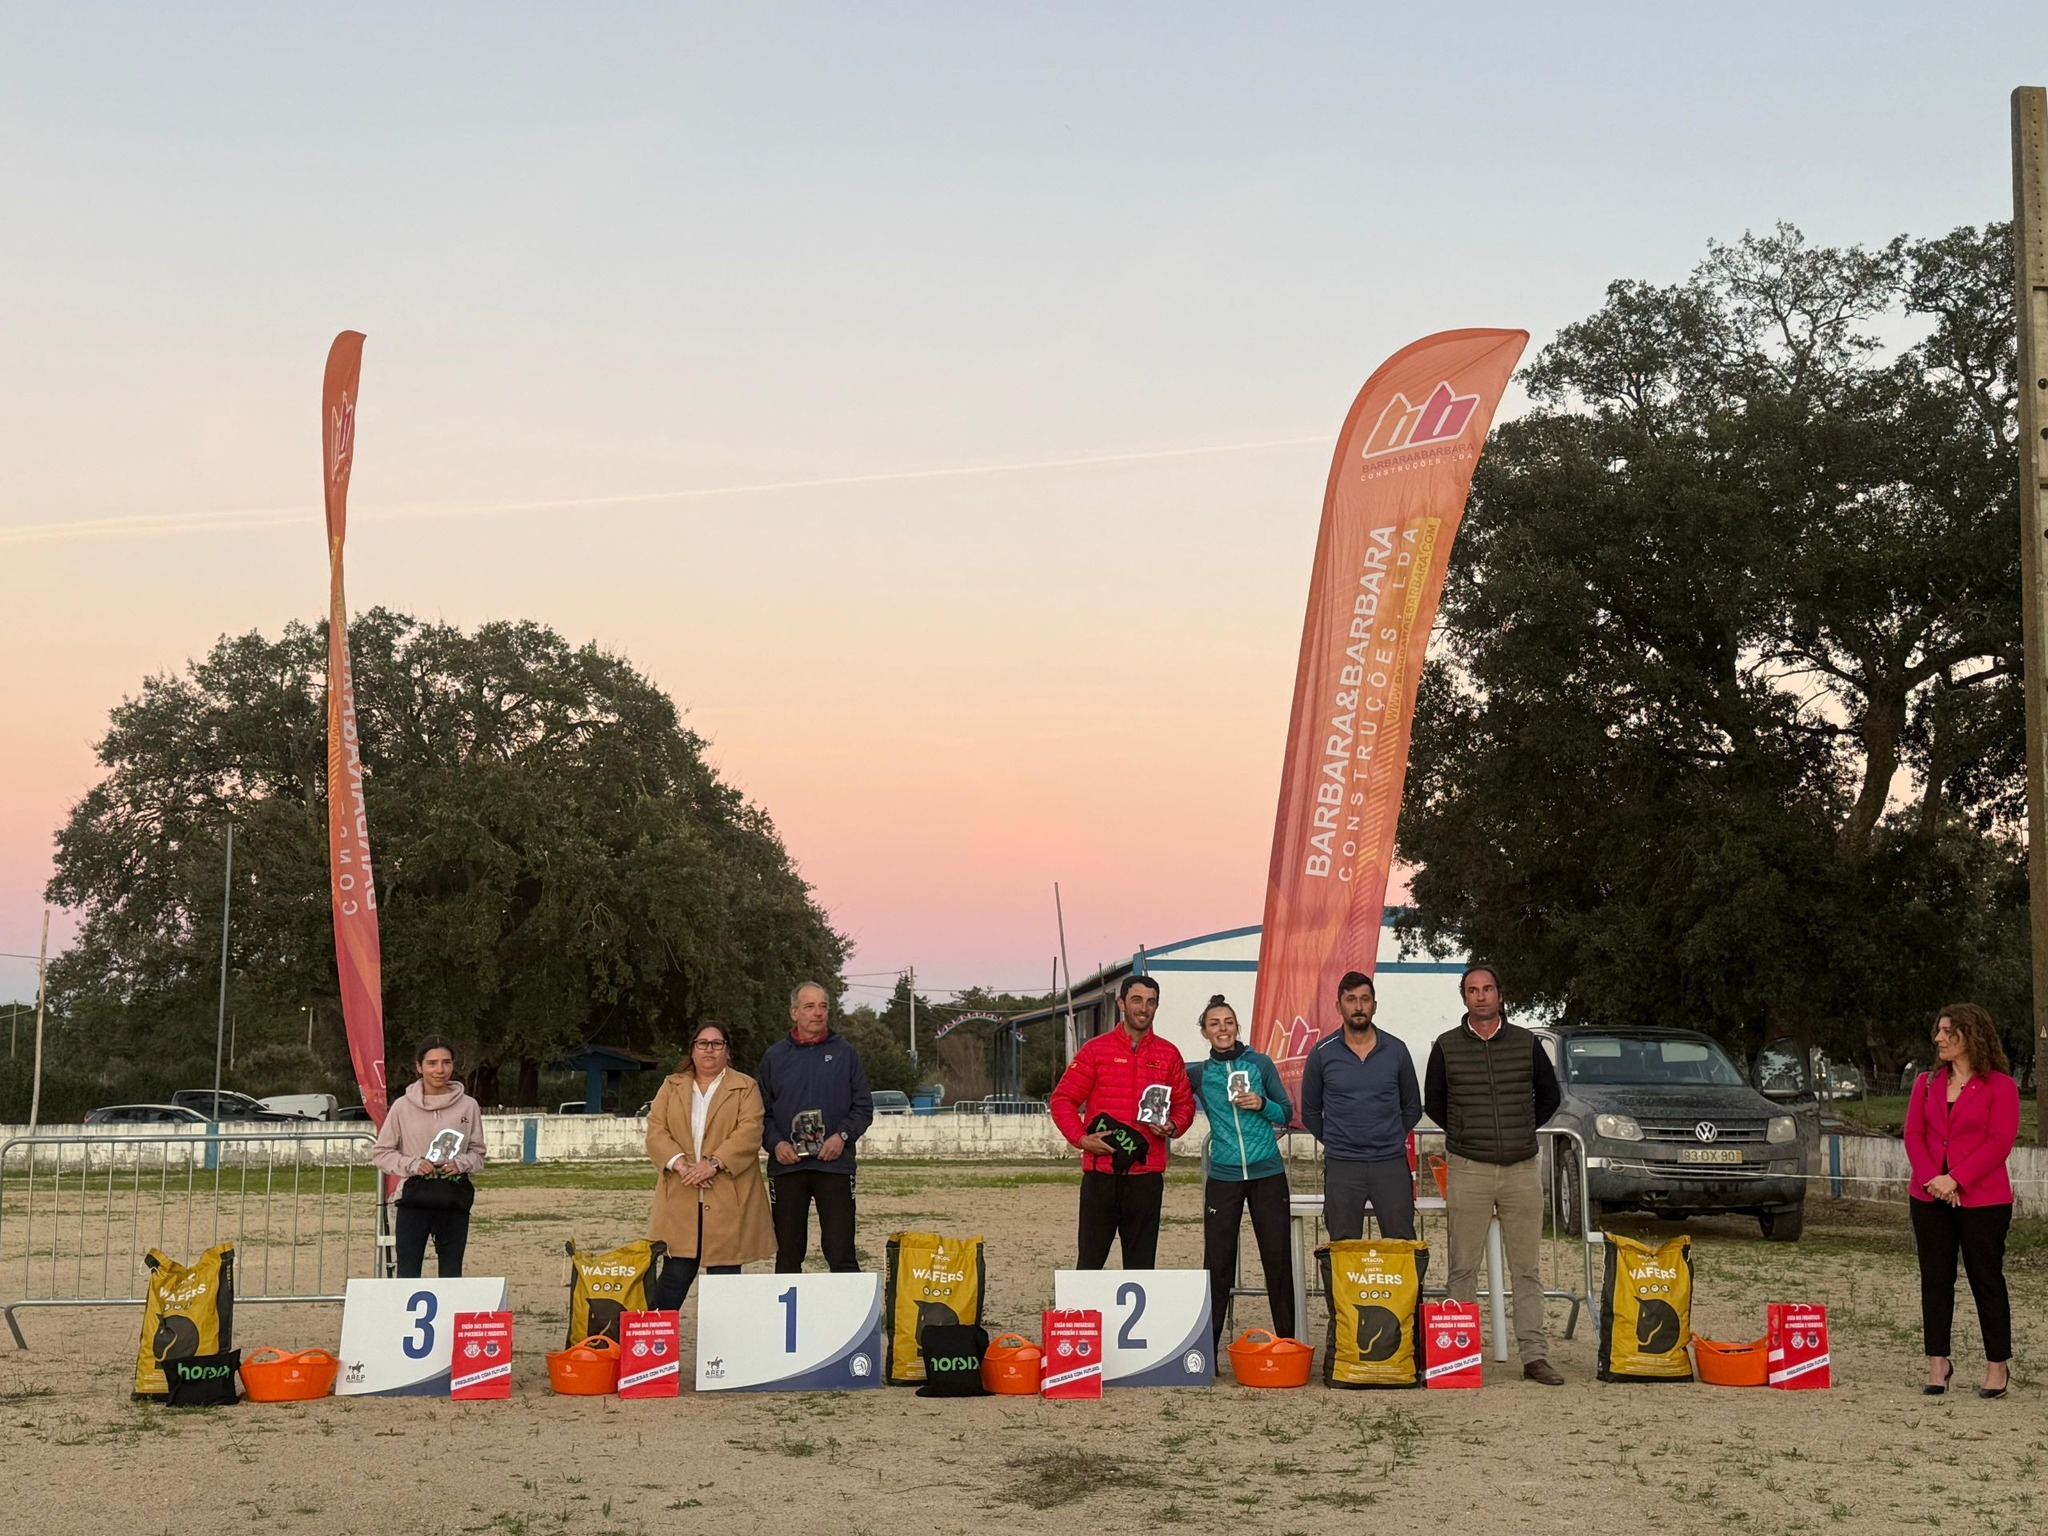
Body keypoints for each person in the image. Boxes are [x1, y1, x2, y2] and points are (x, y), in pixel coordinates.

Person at [1422, 966, 1565, 1386]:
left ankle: (1535, 1356)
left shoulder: (1527, 1043)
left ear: (1500, 995)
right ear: (1463, 997)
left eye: (1487, 989)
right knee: (1462, 1267)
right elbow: (1435, 1102)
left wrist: (1520, 1130)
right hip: (1468, 1167)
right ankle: (1461, 1356)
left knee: (1527, 1269)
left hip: (1521, 1168)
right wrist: (1467, 1134)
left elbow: (1549, 1097)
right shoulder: (1446, 1046)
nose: (1481, 996)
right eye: (1472, 990)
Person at [1904, 1003, 2020, 1399]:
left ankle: (1997, 1366)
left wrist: (1956, 1179)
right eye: (1938, 1031)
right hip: (1928, 1195)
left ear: (1972, 1034)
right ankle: (1938, 1363)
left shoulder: (2001, 1086)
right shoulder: (1926, 1083)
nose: (1938, 1038)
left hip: (1983, 1201)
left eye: (1948, 1031)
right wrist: (1933, 1180)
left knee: (1986, 1280)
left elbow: (1999, 1142)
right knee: (1935, 1280)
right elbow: (1914, 1135)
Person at [1050, 974, 1197, 1269]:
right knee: (1090, 1264)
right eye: (1136, 1000)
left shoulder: (1169, 1054)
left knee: (1141, 1266)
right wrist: (1080, 1138)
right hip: (1101, 1174)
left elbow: (1185, 1105)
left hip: (1147, 1175)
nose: (1144, 1008)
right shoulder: (1095, 1050)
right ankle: (1084, 1316)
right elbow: (1062, 1099)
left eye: (1151, 1001)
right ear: (1121, 1003)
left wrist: (1173, 1125)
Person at [645, 1020, 776, 1309]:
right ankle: (655, 1349)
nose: (709, 1050)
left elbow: (750, 1132)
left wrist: (713, 1164)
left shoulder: (746, 1087)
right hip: (681, 1195)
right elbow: (656, 1129)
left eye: (717, 1044)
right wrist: (681, 1166)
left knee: (724, 1281)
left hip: (728, 1197)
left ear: (727, 1051)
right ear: (692, 1050)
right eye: (702, 1043)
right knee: (674, 1276)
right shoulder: (671, 1085)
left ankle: (723, 1350)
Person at [1187, 995, 1295, 1345]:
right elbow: (1164, 1087)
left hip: (1267, 1174)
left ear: (1237, 1027)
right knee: (1217, 1264)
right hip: (1224, 1177)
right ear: (1205, 1032)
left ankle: (1288, 1343)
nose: (1223, 1029)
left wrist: (1262, 1104)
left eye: (1228, 1022)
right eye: (1215, 1023)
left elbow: (1287, 1112)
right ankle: (1207, 1351)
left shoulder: (1260, 1064)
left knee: (1277, 1261)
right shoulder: (1201, 1074)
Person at [756, 981, 874, 1272]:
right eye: (809, 1007)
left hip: (834, 1166)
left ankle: (849, 1318)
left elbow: (863, 1108)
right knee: (788, 1252)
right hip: (787, 1168)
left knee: (841, 1250)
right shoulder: (774, 1057)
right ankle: (789, 1316)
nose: (818, 1013)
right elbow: (761, 1113)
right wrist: (776, 1143)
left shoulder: (846, 1054)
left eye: (823, 1006)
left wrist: (842, 1136)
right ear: (794, 1012)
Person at [1300, 970, 1423, 1241]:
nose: (1358, 1006)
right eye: (1351, 999)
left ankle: (1406, 1287)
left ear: (1374, 1005)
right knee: (1343, 1247)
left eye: (1365, 999)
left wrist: (1387, 1134)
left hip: (1390, 1164)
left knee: (1402, 1243)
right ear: (1338, 1006)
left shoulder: (1397, 1050)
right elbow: (1310, 1112)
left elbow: (1412, 1107)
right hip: (1343, 1166)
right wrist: (1339, 1138)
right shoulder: (1322, 1053)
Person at [370, 1036, 487, 1279]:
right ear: (419, 1066)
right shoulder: (402, 1106)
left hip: (453, 1199)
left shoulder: (469, 1106)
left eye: (446, 1062)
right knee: (408, 1272)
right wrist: (413, 1164)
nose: (440, 1070)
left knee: (452, 1272)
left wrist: (460, 1163)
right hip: (414, 1199)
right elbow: (382, 1152)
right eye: (432, 1063)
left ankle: (449, 1316)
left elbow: (478, 1153)